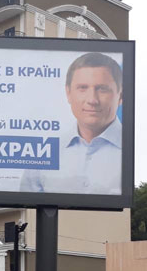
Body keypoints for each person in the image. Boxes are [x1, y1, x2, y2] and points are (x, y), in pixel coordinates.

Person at [20, 52, 123, 195]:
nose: (92, 100)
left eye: (102, 89)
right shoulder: (44, 152)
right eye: (82, 88)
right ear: (68, 93)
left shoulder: (134, 150)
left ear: (120, 96)